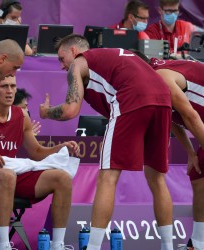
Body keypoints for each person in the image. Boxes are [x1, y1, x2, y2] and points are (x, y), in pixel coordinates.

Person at [39, 34, 174, 250]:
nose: (62, 65)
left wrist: (46, 113)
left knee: (107, 176)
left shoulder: (79, 63)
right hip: (164, 99)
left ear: (74, 51)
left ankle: (93, 247)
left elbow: (70, 110)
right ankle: (169, 246)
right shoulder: (115, 57)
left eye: (61, 58)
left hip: (132, 98)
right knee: (157, 178)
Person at [0, 76, 80, 250]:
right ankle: (4, 246)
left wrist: (61, 147)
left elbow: (36, 153)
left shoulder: (21, 116)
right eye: (4, 86)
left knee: (62, 178)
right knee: (7, 176)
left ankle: (57, 245)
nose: (10, 91)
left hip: (9, 170)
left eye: (13, 86)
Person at [132, 51, 204, 250]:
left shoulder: (161, 77)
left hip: (200, 119)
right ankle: (198, 244)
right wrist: (190, 152)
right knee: (199, 176)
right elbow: (172, 115)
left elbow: (190, 116)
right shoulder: (152, 79)